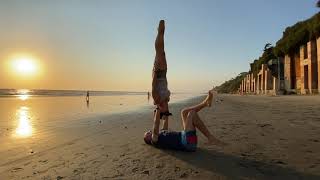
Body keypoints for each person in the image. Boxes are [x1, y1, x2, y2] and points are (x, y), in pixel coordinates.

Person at [144, 90, 226, 151]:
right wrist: (157, 108)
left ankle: (205, 103)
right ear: (148, 140)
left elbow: (166, 117)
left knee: (184, 112)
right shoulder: (155, 141)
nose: (148, 131)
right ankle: (210, 138)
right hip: (188, 143)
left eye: (148, 131)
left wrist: (165, 101)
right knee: (192, 114)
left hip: (188, 138)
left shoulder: (162, 132)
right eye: (147, 133)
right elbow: (156, 126)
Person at [152, 20, 171, 119]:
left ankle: (160, 32)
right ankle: (160, 33)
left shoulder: (157, 99)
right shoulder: (166, 99)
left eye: (166, 111)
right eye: (168, 110)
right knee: (161, 51)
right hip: (164, 73)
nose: (167, 109)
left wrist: (155, 72)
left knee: (159, 50)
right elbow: (166, 84)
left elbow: (153, 86)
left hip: (159, 73)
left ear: (160, 110)